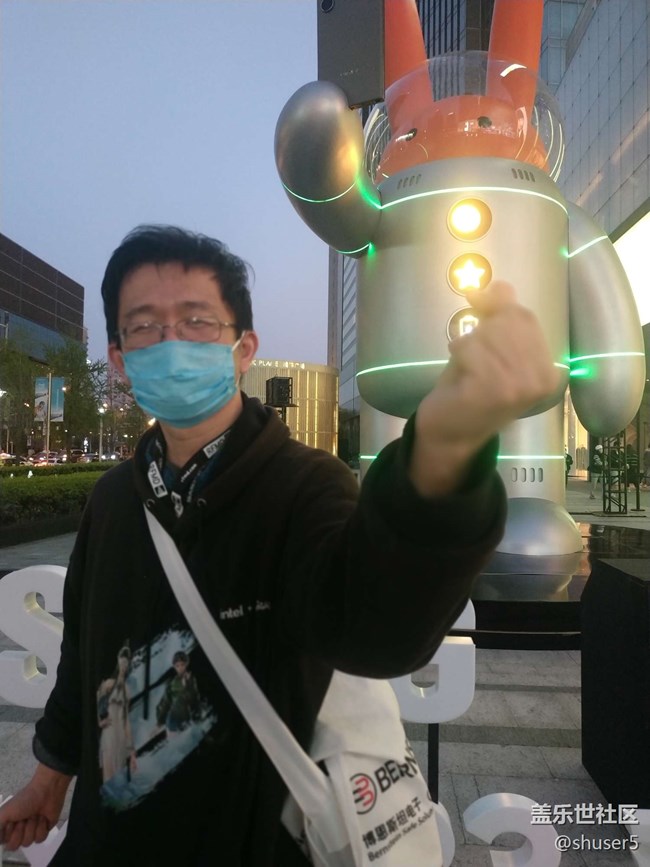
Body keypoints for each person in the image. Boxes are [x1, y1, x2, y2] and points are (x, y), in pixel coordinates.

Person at [0, 225, 560, 866]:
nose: (172, 343)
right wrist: (50, 777)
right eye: (145, 327)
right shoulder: (112, 501)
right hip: (105, 845)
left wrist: (442, 455)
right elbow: (83, 658)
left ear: (243, 349)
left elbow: (375, 629)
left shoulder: (304, 486)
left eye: (198, 322)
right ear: (120, 359)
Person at [97, 646, 137, 783]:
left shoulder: (127, 689)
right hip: (109, 730)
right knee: (107, 773)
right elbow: (97, 701)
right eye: (122, 662)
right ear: (119, 661)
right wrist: (99, 722)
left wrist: (131, 749)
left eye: (126, 663)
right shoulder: (108, 684)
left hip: (121, 733)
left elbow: (126, 719)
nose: (124, 665)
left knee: (119, 775)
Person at [156, 650, 200, 735]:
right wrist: (159, 723)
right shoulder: (172, 683)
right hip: (173, 720)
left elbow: (194, 698)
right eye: (177, 666)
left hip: (185, 718)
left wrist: (187, 685)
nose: (180, 668)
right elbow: (166, 702)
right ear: (174, 667)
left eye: (182, 665)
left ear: (186, 664)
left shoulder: (191, 679)